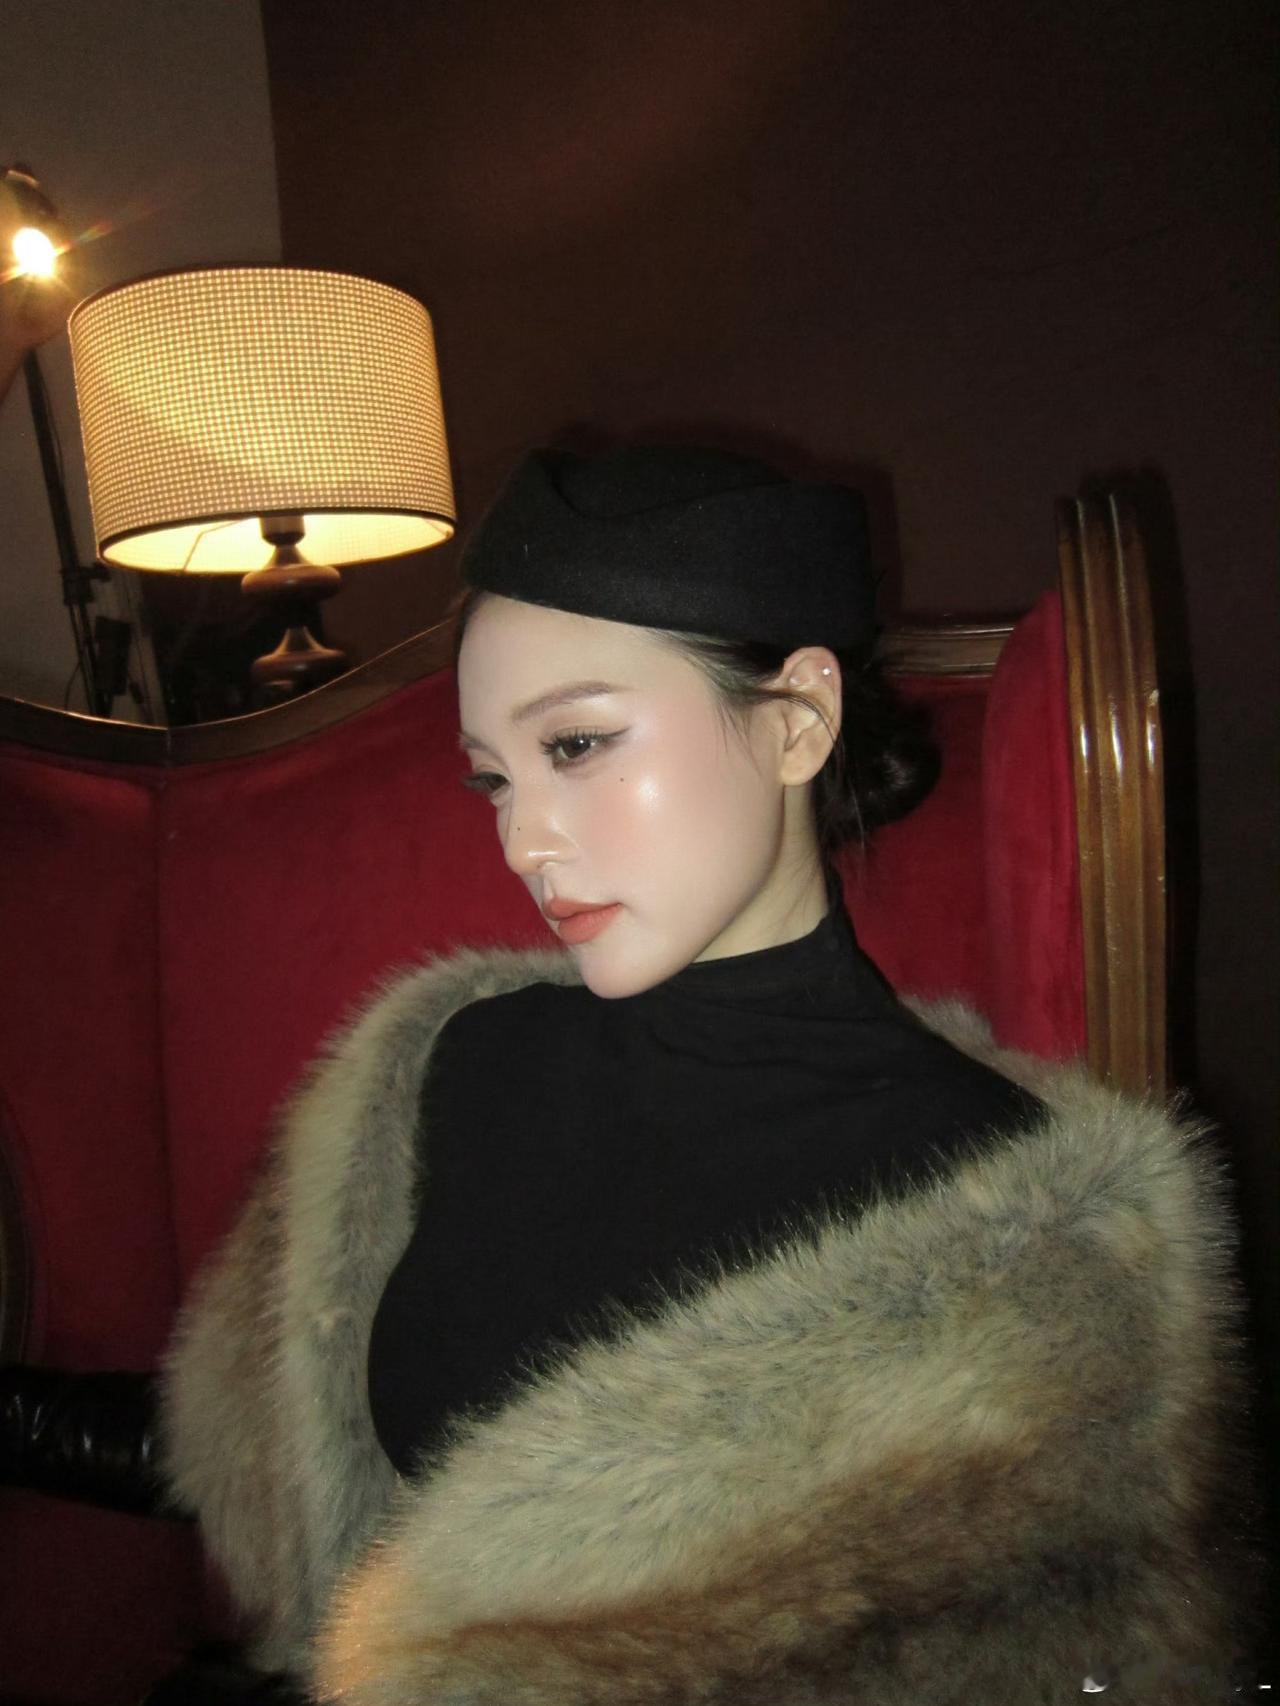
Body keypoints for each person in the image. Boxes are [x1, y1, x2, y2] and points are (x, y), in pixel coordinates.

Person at [159, 444, 1264, 1705]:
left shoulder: (1019, 1226)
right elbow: (277, 1473)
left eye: (576, 743)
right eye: (492, 777)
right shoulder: (444, 1063)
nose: (523, 839)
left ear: (797, 719)